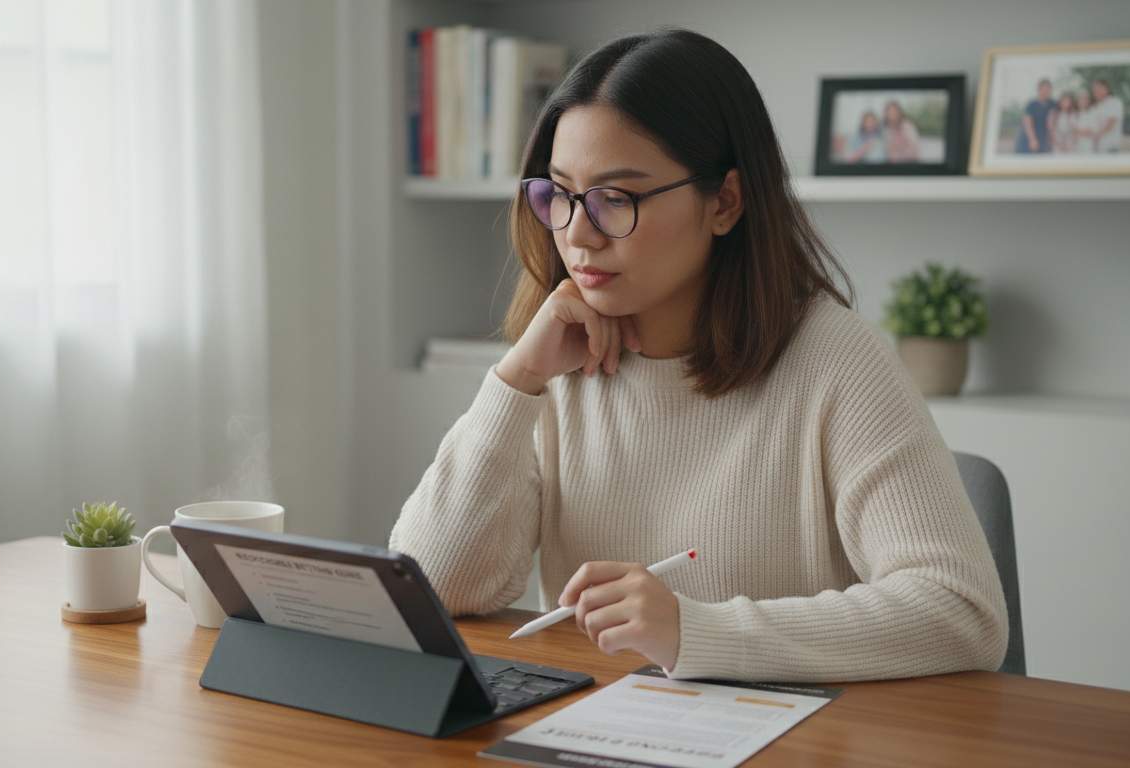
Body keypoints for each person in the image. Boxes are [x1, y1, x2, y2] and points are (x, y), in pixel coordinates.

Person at [388, 28, 1009, 683]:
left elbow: (961, 612)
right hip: (593, 735)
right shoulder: (560, 361)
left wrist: (698, 632)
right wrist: (518, 382)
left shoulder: (835, 360)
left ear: (725, 202)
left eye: (615, 198)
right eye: (560, 194)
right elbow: (434, 586)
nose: (576, 233)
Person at [1015, 78, 1056, 153]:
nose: (1046, 92)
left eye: (1048, 89)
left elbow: (1052, 121)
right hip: (1030, 138)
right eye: (1044, 89)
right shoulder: (1031, 104)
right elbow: (1027, 124)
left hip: (1044, 138)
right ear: (1039, 89)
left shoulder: (1052, 103)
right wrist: (1032, 140)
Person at [1088, 78, 1124, 153]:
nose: (1095, 92)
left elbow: (1111, 123)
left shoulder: (1114, 102)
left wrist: (1096, 135)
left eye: (1098, 88)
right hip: (1097, 148)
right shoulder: (1097, 105)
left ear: (1106, 89)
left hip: (1110, 148)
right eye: (1094, 90)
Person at [1072, 88, 1097, 153]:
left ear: (1088, 100)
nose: (1083, 101)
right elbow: (1072, 130)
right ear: (1077, 101)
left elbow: (1092, 131)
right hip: (1075, 146)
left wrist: (1078, 131)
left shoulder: (1093, 112)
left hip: (1089, 145)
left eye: (1085, 99)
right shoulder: (1073, 113)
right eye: (1081, 99)